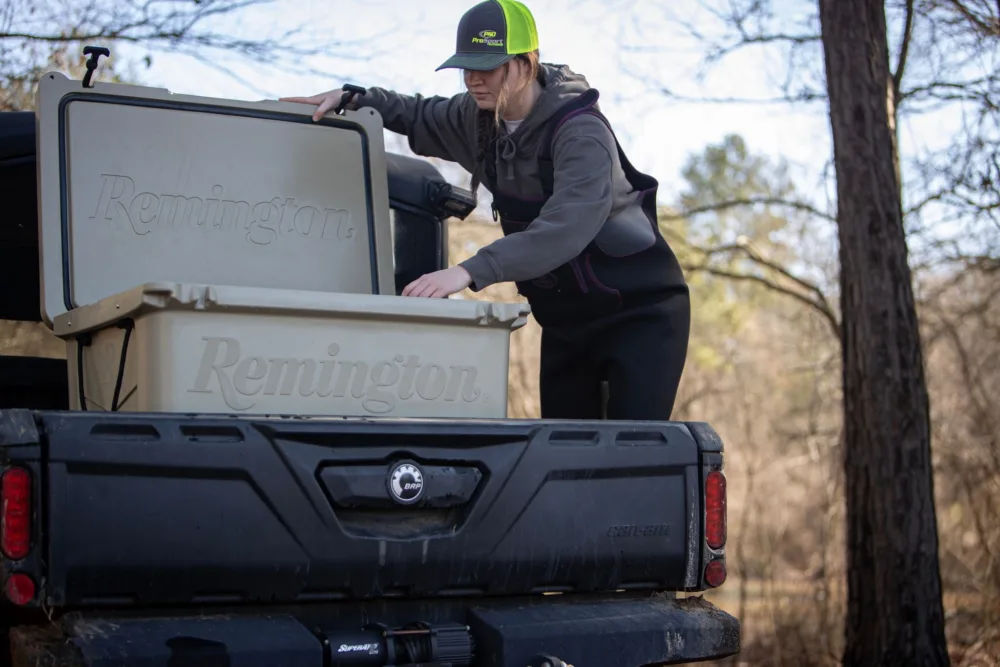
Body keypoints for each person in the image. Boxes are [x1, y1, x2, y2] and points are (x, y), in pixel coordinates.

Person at [280, 0, 690, 422]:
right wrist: (353, 97)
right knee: (569, 458)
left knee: (635, 455)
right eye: (466, 68)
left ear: (525, 64)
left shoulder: (581, 131)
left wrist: (469, 270)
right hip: (568, 324)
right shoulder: (476, 118)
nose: (473, 80)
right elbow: (417, 112)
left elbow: (567, 227)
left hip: (639, 314)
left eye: (487, 67)